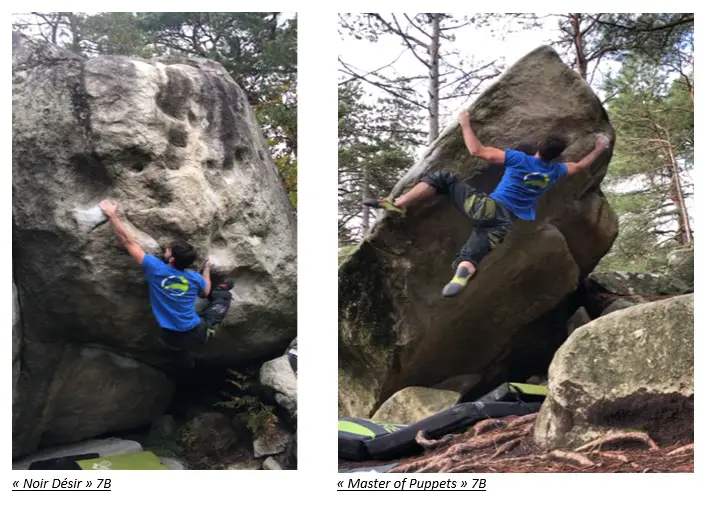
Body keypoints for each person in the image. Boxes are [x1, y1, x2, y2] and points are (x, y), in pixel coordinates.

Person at [364, 110, 611, 297]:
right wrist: (599, 147)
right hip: (503, 223)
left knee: (444, 178)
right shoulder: (556, 171)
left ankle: (400, 202)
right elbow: (580, 166)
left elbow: (477, 151)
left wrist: (464, 122)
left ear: (538, 148)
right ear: (558, 156)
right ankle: (465, 269)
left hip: (486, 207)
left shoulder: (519, 159)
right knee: (473, 252)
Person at [98, 198, 234, 370]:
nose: (165, 249)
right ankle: (222, 291)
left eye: (168, 249)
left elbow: (127, 241)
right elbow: (205, 293)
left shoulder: (155, 269)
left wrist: (112, 215)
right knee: (221, 298)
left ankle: (185, 369)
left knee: (180, 357)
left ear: (171, 259)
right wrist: (206, 271)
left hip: (170, 336)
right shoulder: (194, 278)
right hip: (194, 331)